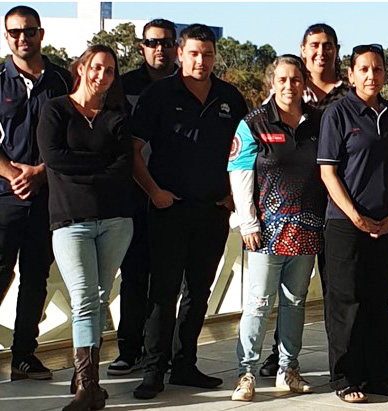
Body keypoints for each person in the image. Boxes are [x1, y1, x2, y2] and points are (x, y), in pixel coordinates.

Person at [130, 24, 248, 400]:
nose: (201, 60)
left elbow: (246, 152)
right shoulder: (159, 94)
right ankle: (153, 370)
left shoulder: (229, 97)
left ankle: (185, 364)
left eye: (208, 54)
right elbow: (132, 151)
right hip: (170, 209)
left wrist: (232, 194)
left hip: (212, 211)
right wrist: (154, 192)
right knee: (163, 292)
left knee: (199, 291)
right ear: (180, 54)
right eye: (194, 53)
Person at [37, 44, 133, 411]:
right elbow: (54, 158)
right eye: (96, 67)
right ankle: (88, 387)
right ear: (81, 68)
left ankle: (86, 380)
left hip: (116, 220)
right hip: (70, 220)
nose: (101, 76)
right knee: (85, 299)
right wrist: (99, 166)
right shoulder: (56, 110)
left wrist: (84, 170)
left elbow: (123, 165)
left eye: (109, 71)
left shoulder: (116, 116)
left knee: (98, 297)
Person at [228, 55, 324, 401]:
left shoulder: (318, 121)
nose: (289, 86)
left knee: (295, 302)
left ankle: (288, 369)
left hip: (307, 227)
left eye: (295, 79)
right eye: (282, 79)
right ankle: (246, 373)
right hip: (265, 231)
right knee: (258, 302)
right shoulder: (253, 123)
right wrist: (248, 221)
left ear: (304, 83)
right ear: (272, 82)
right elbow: (240, 173)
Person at [317, 44, 388, 403]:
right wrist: (356, 216)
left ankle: (379, 376)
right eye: (364, 69)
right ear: (351, 75)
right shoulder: (338, 113)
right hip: (345, 223)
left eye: (378, 69)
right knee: (346, 301)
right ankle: (346, 377)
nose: (372, 75)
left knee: (379, 300)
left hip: (384, 223)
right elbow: (328, 172)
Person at [258, 22, 349, 378]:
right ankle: (278, 355)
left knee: (336, 287)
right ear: (303, 49)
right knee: (286, 289)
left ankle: (343, 361)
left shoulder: (349, 92)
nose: (321, 52)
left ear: (337, 50)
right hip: (294, 208)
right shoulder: (289, 87)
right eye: (314, 45)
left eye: (328, 45)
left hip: (339, 206)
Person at [0, 5, 70, 381]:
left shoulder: (62, 80)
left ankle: (24, 355)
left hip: (48, 197)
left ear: (41, 34)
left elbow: (74, 136)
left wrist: (40, 173)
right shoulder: (0, 80)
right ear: (6, 36)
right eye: (14, 32)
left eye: (29, 31)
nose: (22, 38)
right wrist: (14, 175)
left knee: (35, 278)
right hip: (5, 196)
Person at [108, 17, 178, 377]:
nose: (159, 49)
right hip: (133, 196)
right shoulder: (123, 87)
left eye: (165, 42)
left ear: (176, 47)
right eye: (152, 42)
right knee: (134, 276)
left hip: (179, 196)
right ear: (142, 47)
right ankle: (129, 350)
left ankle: (170, 353)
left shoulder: (189, 83)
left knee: (174, 281)